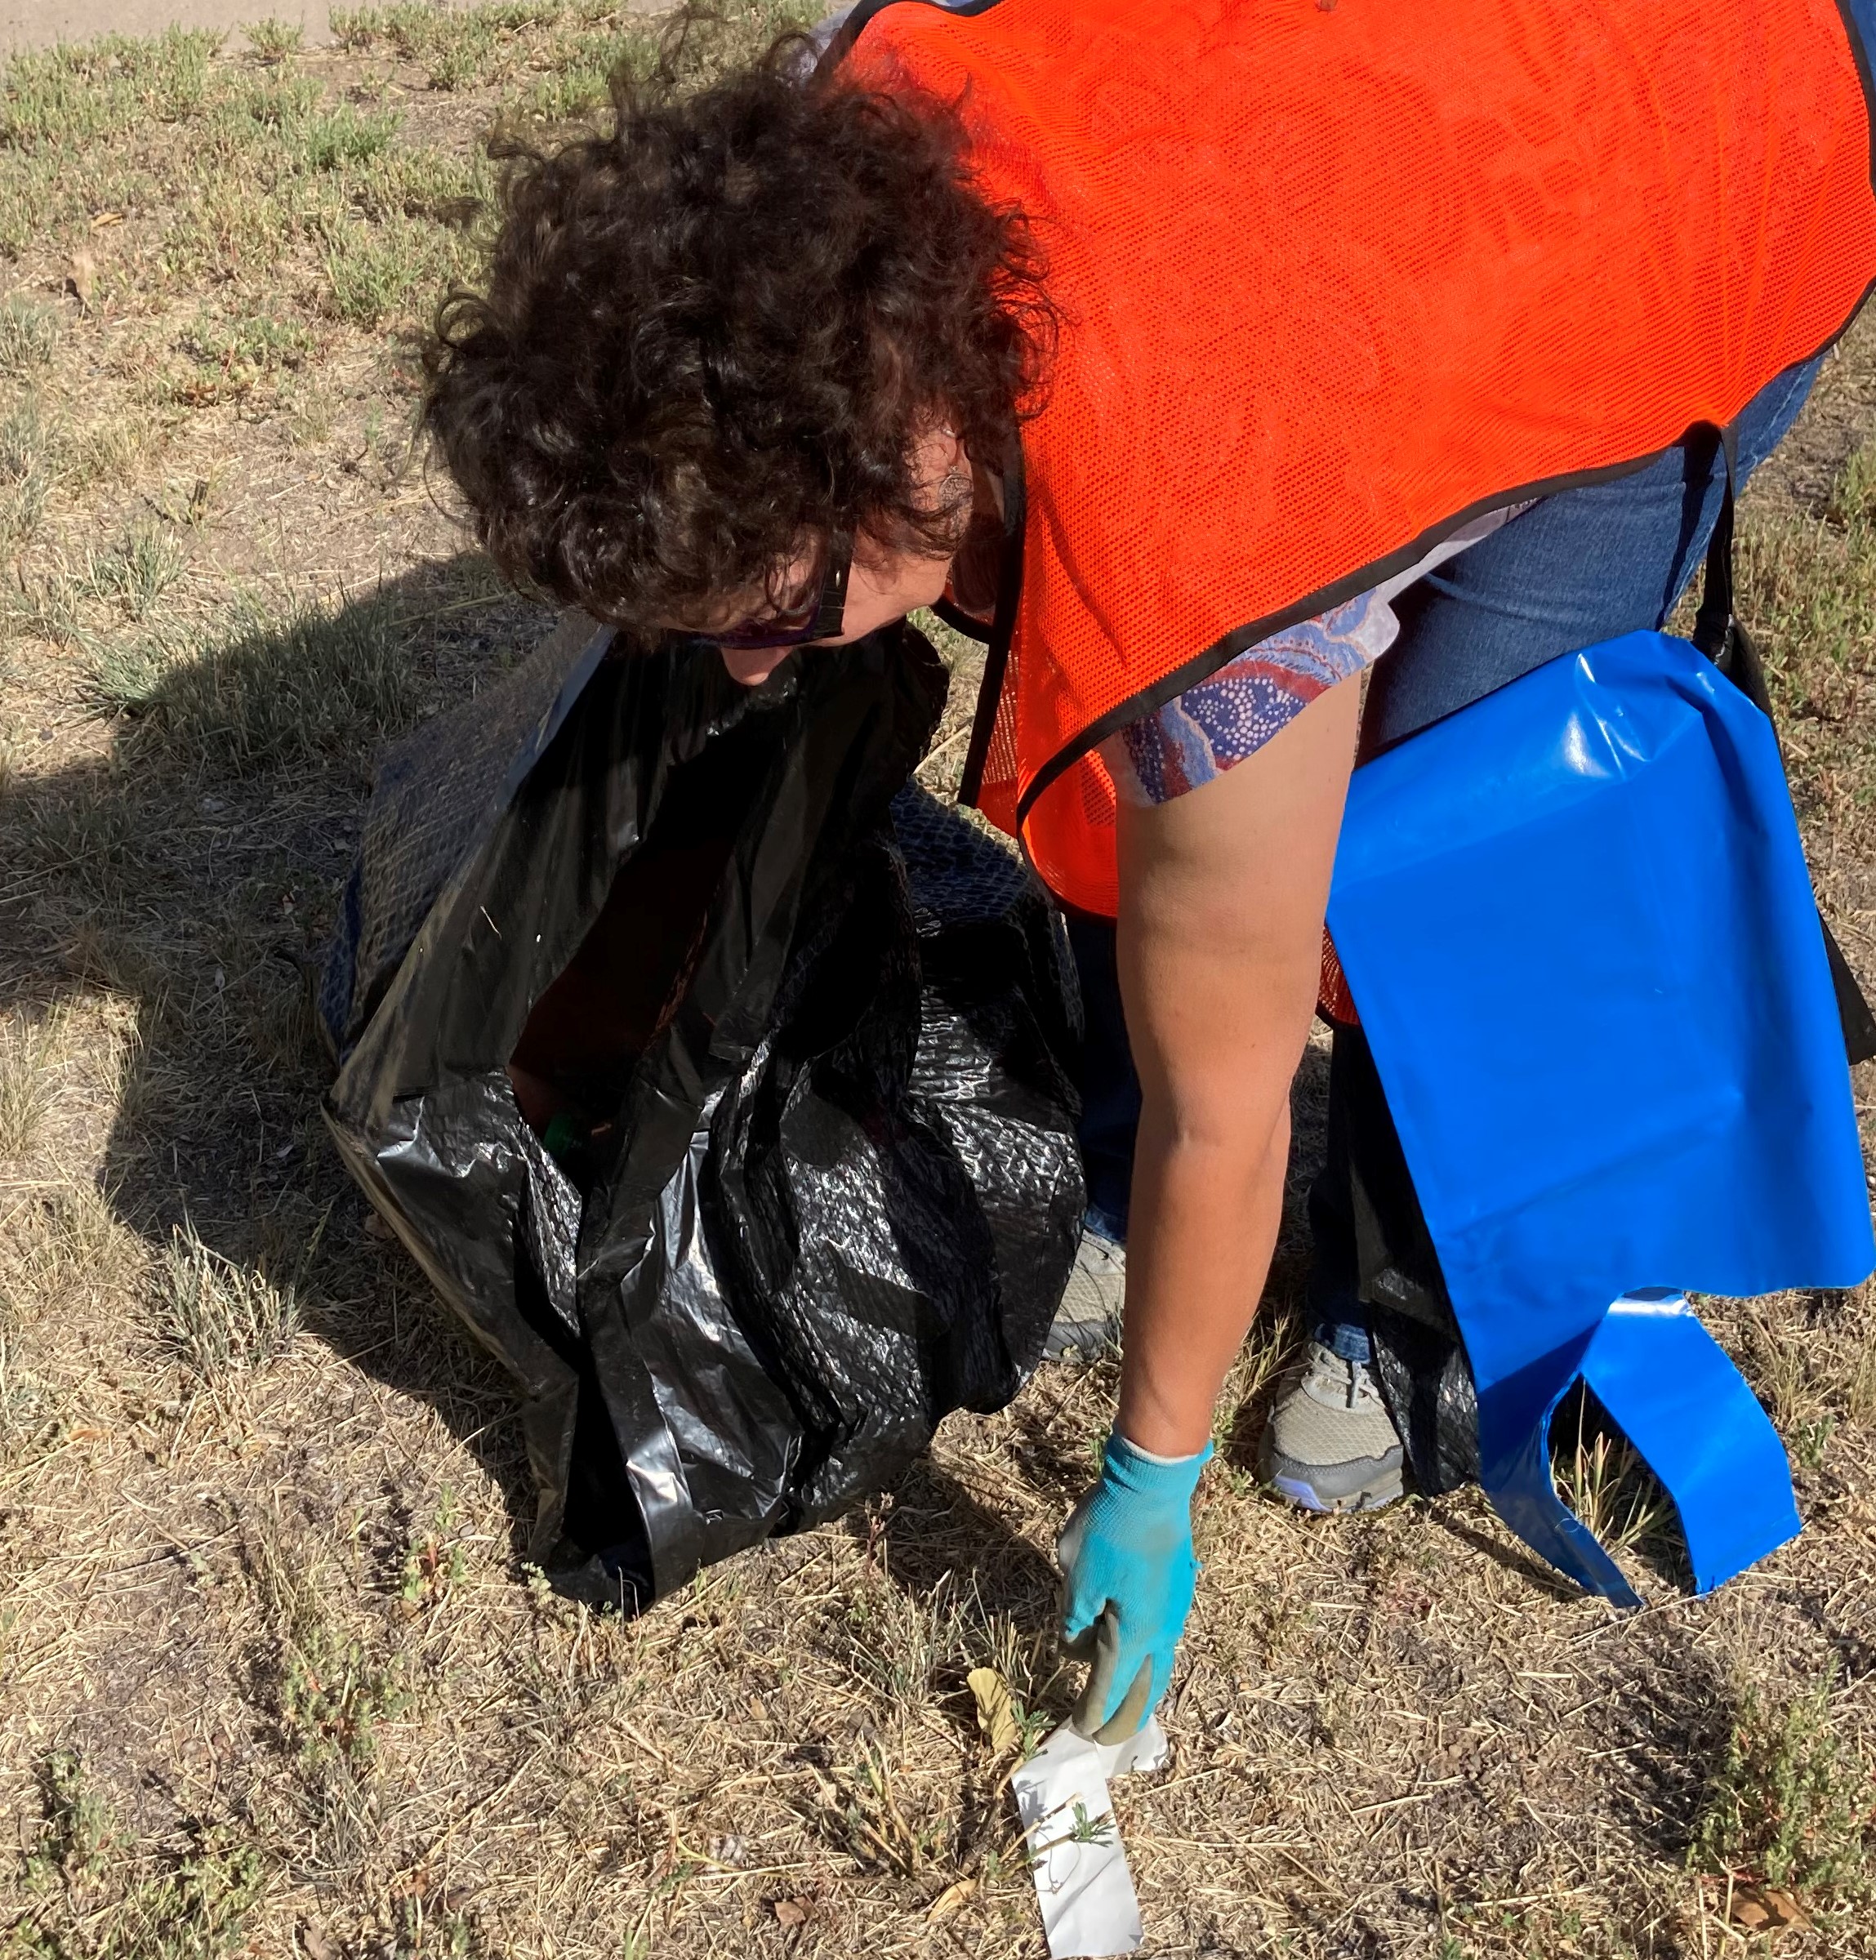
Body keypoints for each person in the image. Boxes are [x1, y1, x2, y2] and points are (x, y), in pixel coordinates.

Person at [419, 0, 1876, 1738]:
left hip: (1681, 128)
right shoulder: (815, 164)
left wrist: (1148, 1478)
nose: (750, 665)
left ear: (917, 464)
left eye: (771, 619)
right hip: (1374, 124)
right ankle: (1134, 1186)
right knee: (1171, 783)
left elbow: (1230, 1090)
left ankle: (1414, 1318)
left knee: (1465, 818)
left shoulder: (1211, 564)